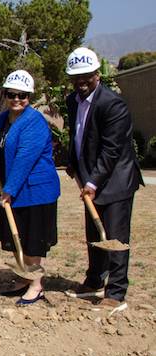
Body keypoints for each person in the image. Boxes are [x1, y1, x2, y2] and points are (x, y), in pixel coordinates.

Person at [63, 47, 144, 313]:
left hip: (116, 181)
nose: (81, 81)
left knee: (116, 238)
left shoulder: (113, 104)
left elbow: (112, 149)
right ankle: (94, 280)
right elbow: (76, 137)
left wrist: (93, 181)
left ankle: (116, 292)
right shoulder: (72, 101)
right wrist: (73, 167)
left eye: (86, 75)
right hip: (90, 179)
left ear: (97, 74)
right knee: (94, 235)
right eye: (76, 77)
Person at [0, 70, 60, 306]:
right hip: (10, 185)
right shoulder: (3, 119)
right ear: (5, 95)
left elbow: (24, 158)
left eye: (23, 95)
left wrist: (9, 189)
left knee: (31, 238)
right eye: (11, 95)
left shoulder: (34, 122)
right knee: (15, 233)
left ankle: (36, 284)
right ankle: (22, 278)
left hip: (34, 191)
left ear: (30, 96)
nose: (17, 99)